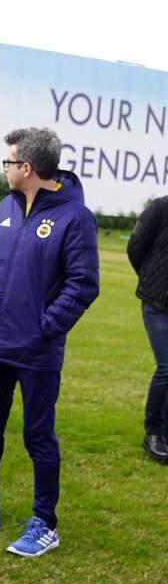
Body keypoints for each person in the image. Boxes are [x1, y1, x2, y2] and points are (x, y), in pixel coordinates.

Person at [0, 127, 99, 557]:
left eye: (8, 161)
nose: (4, 168)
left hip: (37, 349)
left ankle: (45, 522)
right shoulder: (6, 205)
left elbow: (83, 284)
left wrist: (47, 326)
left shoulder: (75, 218)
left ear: (26, 167)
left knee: (38, 435)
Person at [127, 197, 168, 462]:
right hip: (158, 302)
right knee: (167, 366)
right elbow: (135, 247)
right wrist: (150, 278)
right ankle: (153, 432)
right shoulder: (160, 208)